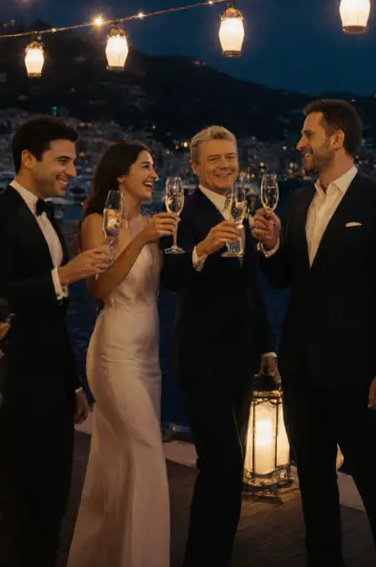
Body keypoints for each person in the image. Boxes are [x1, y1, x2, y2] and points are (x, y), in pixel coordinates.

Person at [250, 99, 376, 567]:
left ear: (336, 139)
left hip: (359, 374)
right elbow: (287, 279)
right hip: (302, 370)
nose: (300, 143)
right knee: (314, 489)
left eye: (308, 134)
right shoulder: (301, 200)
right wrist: (271, 247)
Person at [0, 116, 110, 567]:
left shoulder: (50, 216)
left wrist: (72, 382)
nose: (71, 171)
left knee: (52, 500)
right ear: (28, 159)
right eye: (62, 161)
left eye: (73, 161)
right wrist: (63, 275)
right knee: (21, 503)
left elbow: (54, 317)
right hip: (14, 382)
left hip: (52, 385)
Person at [160, 126, 277, 566]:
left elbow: (253, 287)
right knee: (221, 464)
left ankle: (217, 554)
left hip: (242, 355)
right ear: (194, 167)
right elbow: (171, 279)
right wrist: (202, 248)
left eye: (230, 157)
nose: (226, 165)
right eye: (214, 159)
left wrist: (268, 347)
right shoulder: (181, 213)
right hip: (202, 356)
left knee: (231, 466)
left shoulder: (241, 210)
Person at [67, 141, 179, 566]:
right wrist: (141, 239)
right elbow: (100, 287)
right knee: (148, 454)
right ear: (120, 175)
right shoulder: (101, 220)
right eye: (146, 167)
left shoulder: (153, 222)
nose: (153, 174)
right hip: (114, 354)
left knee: (115, 462)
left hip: (148, 356)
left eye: (154, 167)